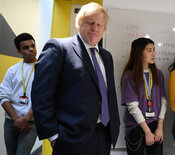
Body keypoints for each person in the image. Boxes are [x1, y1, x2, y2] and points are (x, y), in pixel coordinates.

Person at [31, 2, 120, 155]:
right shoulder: (58, 48)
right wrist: (53, 136)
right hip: (71, 138)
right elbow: (41, 95)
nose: (95, 28)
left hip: (104, 134)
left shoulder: (107, 56)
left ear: (104, 29)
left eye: (99, 25)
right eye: (90, 23)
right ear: (79, 23)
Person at [121, 38, 167, 155]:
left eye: (154, 50)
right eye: (149, 50)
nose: (153, 53)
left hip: (156, 126)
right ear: (139, 52)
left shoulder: (158, 74)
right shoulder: (129, 75)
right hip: (136, 127)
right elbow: (132, 106)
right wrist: (146, 131)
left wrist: (160, 127)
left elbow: (163, 102)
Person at [0, 33, 37, 155]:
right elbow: (3, 95)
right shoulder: (12, 70)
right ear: (19, 52)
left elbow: (44, 98)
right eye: (25, 47)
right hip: (11, 122)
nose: (31, 49)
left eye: (32, 45)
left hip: (31, 123)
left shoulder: (43, 69)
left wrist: (25, 119)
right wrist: (16, 119)